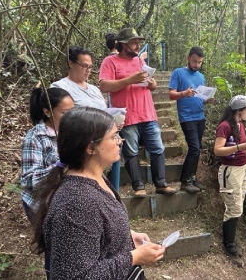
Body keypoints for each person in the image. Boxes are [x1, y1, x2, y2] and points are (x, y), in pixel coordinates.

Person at [31, 107, 165, 279]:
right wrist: (134, 257)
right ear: (91, 147)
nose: (120, 140)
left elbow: (96, 230)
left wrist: (127, 237)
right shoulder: (76, 202)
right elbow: (76, 276)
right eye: (113, 136)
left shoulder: (95, 178)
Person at [99, 28, 177, 197]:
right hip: (127, 115)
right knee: (131, 151)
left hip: (147, 113)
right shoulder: (110, 62)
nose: (138, 46)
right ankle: (138, 187)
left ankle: (161, 183)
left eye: (139, 42)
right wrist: (130, 80)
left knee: (157, 148)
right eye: (134, 42)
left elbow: (152, 86)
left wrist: (152, 83)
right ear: (123, 44)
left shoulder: (139, 62)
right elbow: (104, 85)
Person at [51, 46, 124, 191]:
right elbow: (62, 119)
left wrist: (113, 123)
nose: (88, 70)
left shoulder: (94, 89)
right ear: (71, 63)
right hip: (81, 144)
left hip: (102, 143)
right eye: (84, 66)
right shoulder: (59, 87)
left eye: (90, 67)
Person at [213, 95, 246, 267]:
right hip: (230, 171)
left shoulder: (240, 125)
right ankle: (229, 245)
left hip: (242, 168)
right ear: (239, 111)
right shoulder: (225, 126)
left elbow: (240, 146)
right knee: (234, 207)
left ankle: (231, 241)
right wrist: (239, 147)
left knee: (238, 204)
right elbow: (218, 150)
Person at [20, 87, 74, 221]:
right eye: (65, 112)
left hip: (64, 199)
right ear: (47, 111)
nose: (71, 116)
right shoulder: (35, 138)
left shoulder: (71, 131)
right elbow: (29, 181)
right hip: (41, 205)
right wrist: (59, 165)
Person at [168, 46, 212, 194]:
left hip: (200, 116)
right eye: (195, 61)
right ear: (188, 58)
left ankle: (192, 178)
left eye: (200, 62)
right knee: (193, 148)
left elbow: (199, 96)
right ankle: (185, 181)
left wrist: (208, 99)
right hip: (187, 117)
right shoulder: (178, 73)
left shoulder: (201, 76)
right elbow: (171, 95)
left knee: (197, 148)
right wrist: (184, 93)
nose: (197, 65)